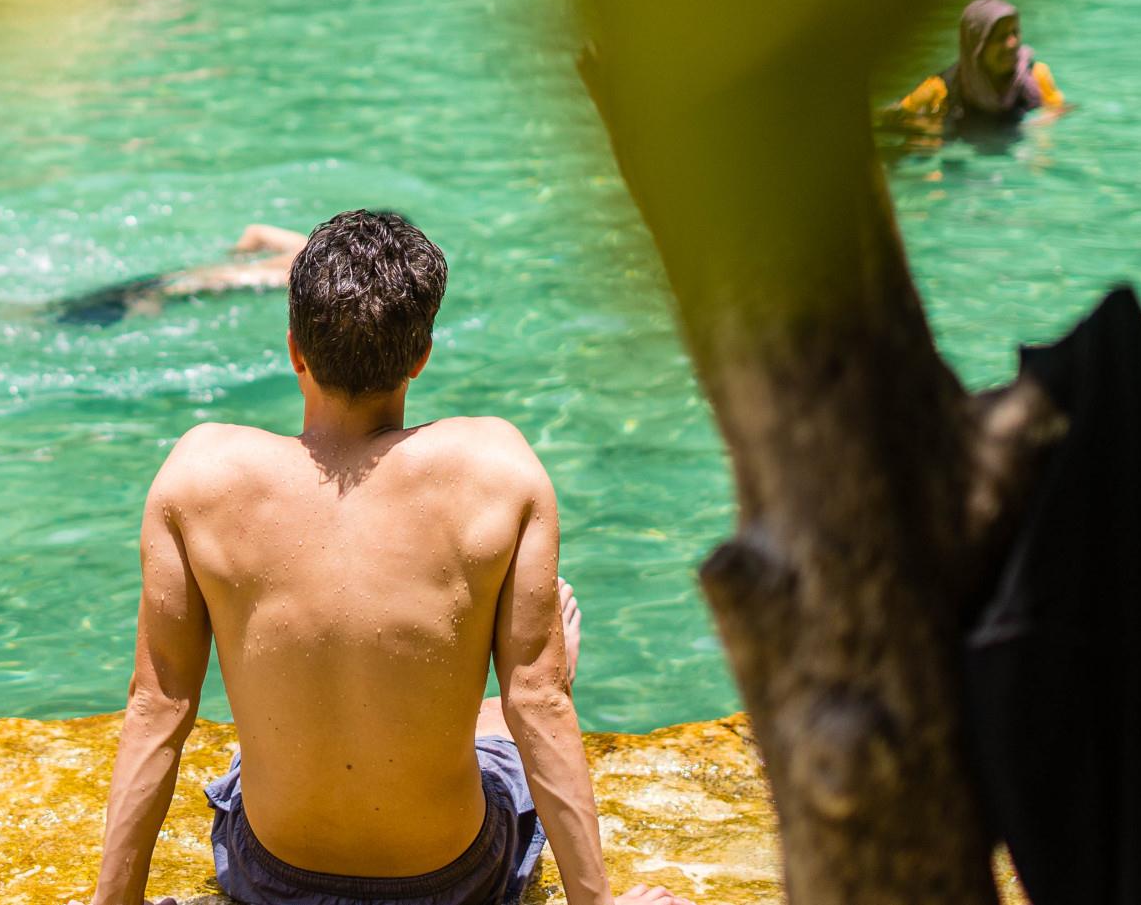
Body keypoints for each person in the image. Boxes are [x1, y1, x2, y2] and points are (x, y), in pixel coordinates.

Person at [85, 210, 690, 905]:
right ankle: (530, 665)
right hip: (455, 879)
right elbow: (541, 707)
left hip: (272, 878)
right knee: (513, 707)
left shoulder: (198, 476)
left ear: (294, 350)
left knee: (253, 754)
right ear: (421, 354)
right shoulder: (497, 468)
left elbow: (158, 705)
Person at [53, 222, 307, 325]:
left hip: (175, 276)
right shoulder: (305, 278)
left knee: (75, 309)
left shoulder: (306, 247)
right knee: (74, 320)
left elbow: (256, 232)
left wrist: (234, 259)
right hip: (173, 291)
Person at [897, 0, 1066, 132]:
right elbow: (900, 116)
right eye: (1001, 38)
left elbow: (1058, 109)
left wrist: (1042, 124)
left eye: (1015, 32)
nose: (1013, 43)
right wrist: (930, 130)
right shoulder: (940, 89)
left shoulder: (1035, 75)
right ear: (976, 47)